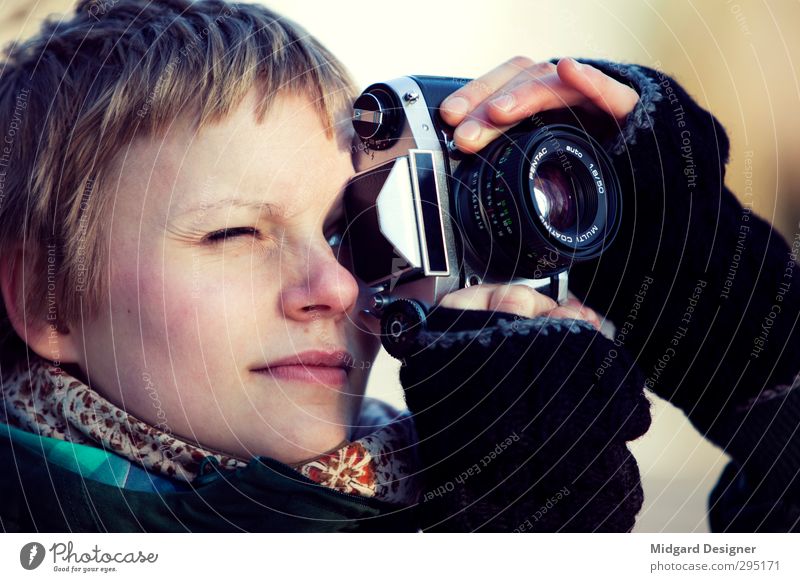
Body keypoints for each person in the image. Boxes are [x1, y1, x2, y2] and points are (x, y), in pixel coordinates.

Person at [0, 0, 796, 532]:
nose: (338, 288)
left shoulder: (402, 473)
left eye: (351, 232)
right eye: (235, 234)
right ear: (48, 295)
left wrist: (722, 312)